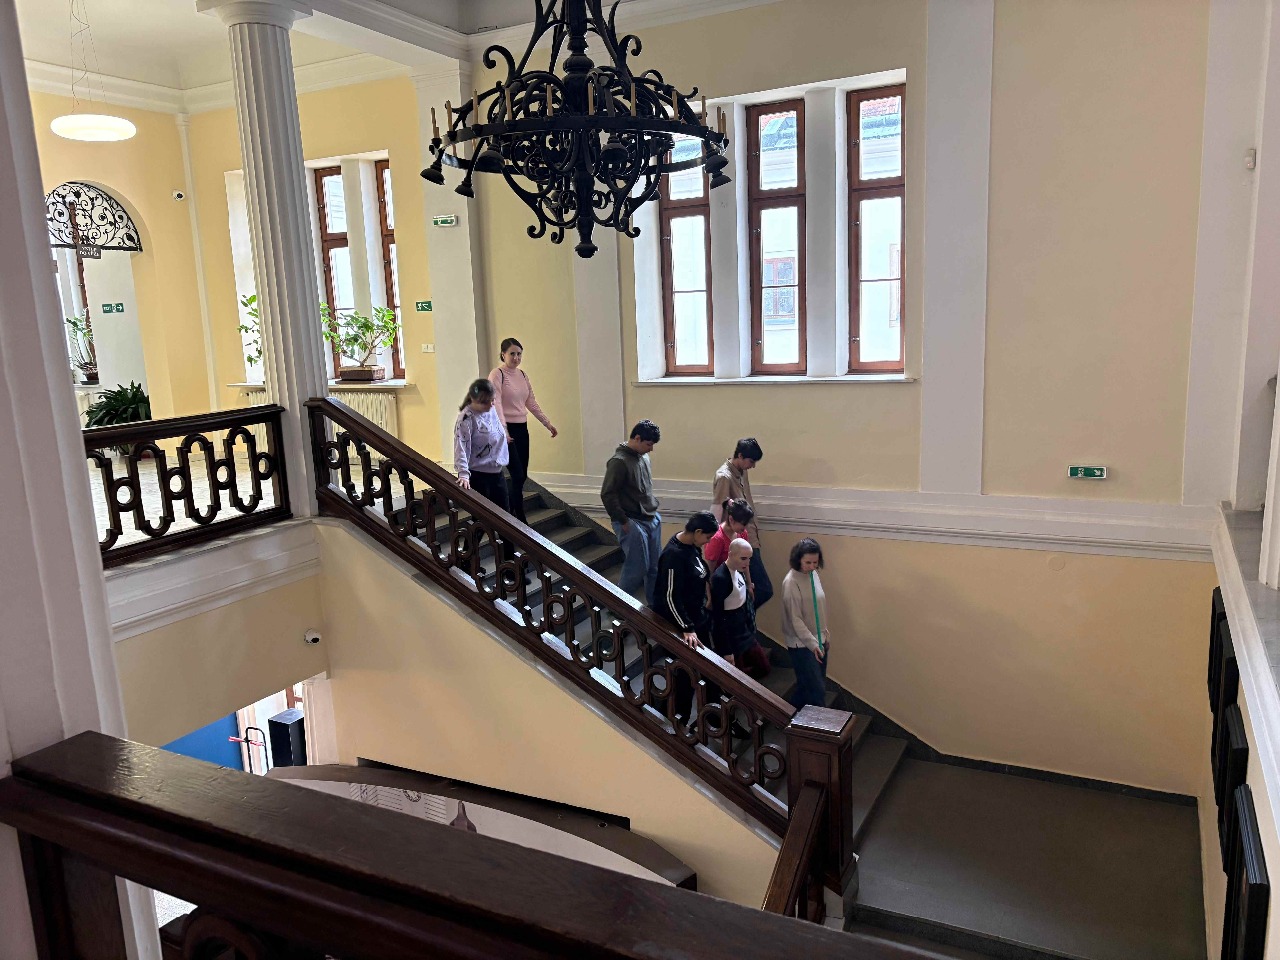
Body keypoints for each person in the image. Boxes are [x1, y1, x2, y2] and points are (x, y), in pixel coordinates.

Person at [653, 512, 718, 725]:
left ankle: (714, 718)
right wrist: (686, 627)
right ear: (697, 532)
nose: (708, 542)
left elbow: (700, 572)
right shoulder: (673, 555)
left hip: (697, 617)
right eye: (707, 537)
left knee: (710, 670)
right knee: (684, 677)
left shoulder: (692, 547)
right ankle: (676, 722)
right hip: (680, 624)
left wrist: (707, 593)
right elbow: (669, 597)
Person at [488, 337, 557, 524]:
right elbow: (496, 404)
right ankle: (519, 517)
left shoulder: (523, 375)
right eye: (512, 354)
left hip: (521, 429)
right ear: (503, 354)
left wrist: (547, 423)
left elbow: (531, 402)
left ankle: (509, 512)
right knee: (516, 474)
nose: (516, 358)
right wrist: (504, 430)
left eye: (519, 354)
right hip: (505, 430)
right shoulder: (497, 374)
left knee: (522, 475)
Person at [600, 420, 663, 608]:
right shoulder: (618, 462)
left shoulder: (644, 457)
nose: (651, 449)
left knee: (655, 566)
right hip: (631, 520)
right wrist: (623, 521)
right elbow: (608, 494)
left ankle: (654, 608)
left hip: (650, 517)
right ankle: (618, 607)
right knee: (637, 567)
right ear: (637, 438)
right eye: (649, 444)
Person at [711, 438, 772, 608]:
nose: (753, 466)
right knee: (764, 589)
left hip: (749, 536)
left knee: (750, 587)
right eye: (751, 461)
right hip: (738, 541)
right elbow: (717, 511)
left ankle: (744, 616)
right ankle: (743, 615)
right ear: (740, 455)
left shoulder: (742, 471)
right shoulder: (724, 477)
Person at [781, 538, 831, 709]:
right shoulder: (791, 582)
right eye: (808, 562)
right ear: (798, 559)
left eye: (815, 562)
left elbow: (817, 605)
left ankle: (789, 714)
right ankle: (821, 724)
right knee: (816, 691)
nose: (812, 566)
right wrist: (812, 644)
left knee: (809, 687)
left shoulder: (813, 574)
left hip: (819, 639)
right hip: (802, 644)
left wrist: (824, 634)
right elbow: (795, 619)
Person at [454, 378, 510, 512]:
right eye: (485, 402)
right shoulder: (466, 418)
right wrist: (463, 473)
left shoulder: (491, 409)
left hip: (497, 472)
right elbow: (461, 447)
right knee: (483, 517)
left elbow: (495, 430)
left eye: (492, 400)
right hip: (479, 476)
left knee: (505, 515)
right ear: (473, 400)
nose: (491, 405)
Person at [710, 538, 756, 667]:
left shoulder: (738, 570)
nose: (747, 563)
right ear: (730, 555)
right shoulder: (721, 578)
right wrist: (726, 650)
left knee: (762, 667)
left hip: (743, 629)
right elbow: (718, 618)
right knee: (738, 673)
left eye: (749, 559)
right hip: (731, 634)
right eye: (743, 558)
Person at [705, 499, 754, 574]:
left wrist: (748, 580)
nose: (746, 528)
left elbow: (745, 564)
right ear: (731, 519)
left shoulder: (743, 533)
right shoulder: (717, 538)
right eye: (744, 524)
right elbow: (710, 570)